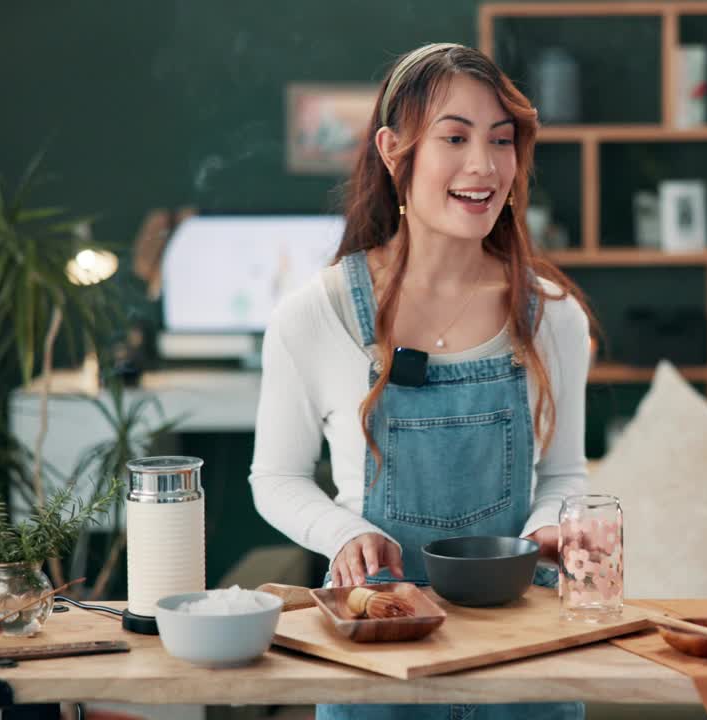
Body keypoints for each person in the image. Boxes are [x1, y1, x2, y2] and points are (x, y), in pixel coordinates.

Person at [249, 42, 595, 719]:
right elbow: (276, 478)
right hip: (375, 652)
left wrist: (554, 527)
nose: (484, 165)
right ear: (393, 148)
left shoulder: (553, 315)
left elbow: (564, 475)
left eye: (502, 141)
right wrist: (343, 534)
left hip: (521, 654)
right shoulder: (313, 315)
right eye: (456, 137)